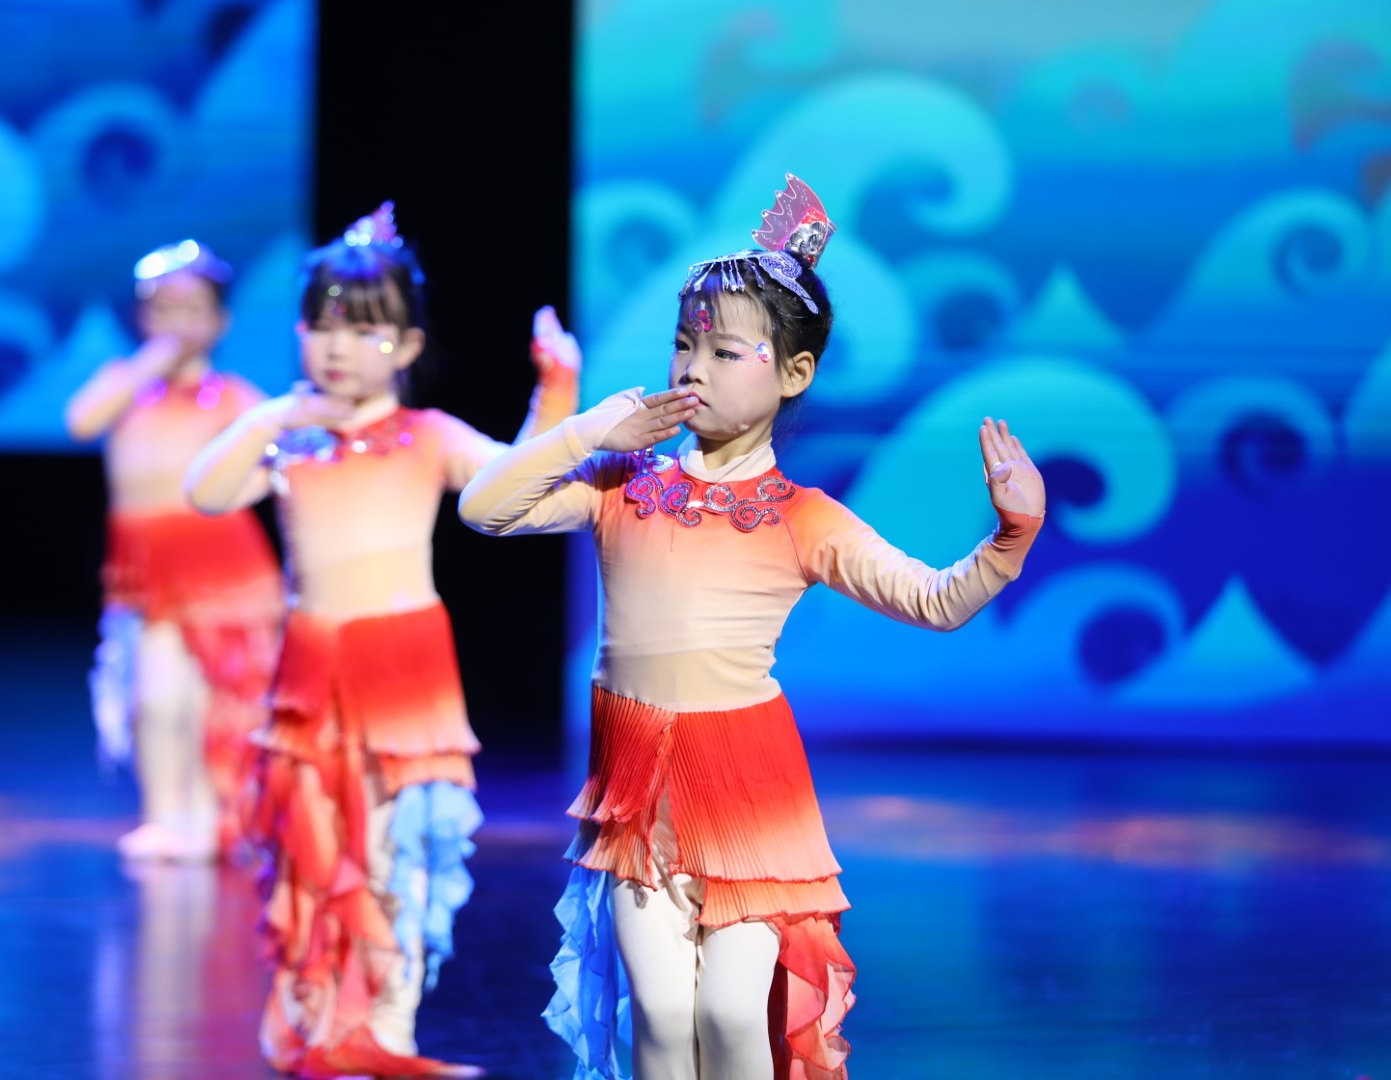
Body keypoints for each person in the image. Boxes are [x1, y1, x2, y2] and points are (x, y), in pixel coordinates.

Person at [458, 174, 1047, 1080]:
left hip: (746, 790)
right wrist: (587, 433)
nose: (692, 368)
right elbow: (483, 508)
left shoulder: (801, 517)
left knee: (732, 1017)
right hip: (635, 787)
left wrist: (1011, 538)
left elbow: (933, 601)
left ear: (794, 374)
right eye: (683, 344)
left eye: (725, 351)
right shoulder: (622, 484)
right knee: (660, 1016)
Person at [185, 203, 580, 1078]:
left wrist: (555, 391)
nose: (338, 347)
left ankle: (390, 1028)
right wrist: (270, 418)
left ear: (405, 345)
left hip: (405, 673)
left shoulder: (428, 437)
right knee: (316, 849)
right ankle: (322, 1018)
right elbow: (207, 493)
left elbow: (516, 480)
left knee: (405, 855)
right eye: (323, 325)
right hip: (311, 676)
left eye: (363, 330)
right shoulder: (294, 443)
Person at [65, 240, 283, 863]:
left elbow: (278, 453)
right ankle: (164, 815)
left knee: (223, 698)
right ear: (143, 318)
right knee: (157, 699)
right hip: (148, 569)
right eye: (164, 309)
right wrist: (148, 364)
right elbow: (81, 421)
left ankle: (216, 817)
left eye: (192, 310)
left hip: (222, 569)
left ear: (220, 322)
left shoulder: (232, 396)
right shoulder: (127, 386)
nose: (178, 323)